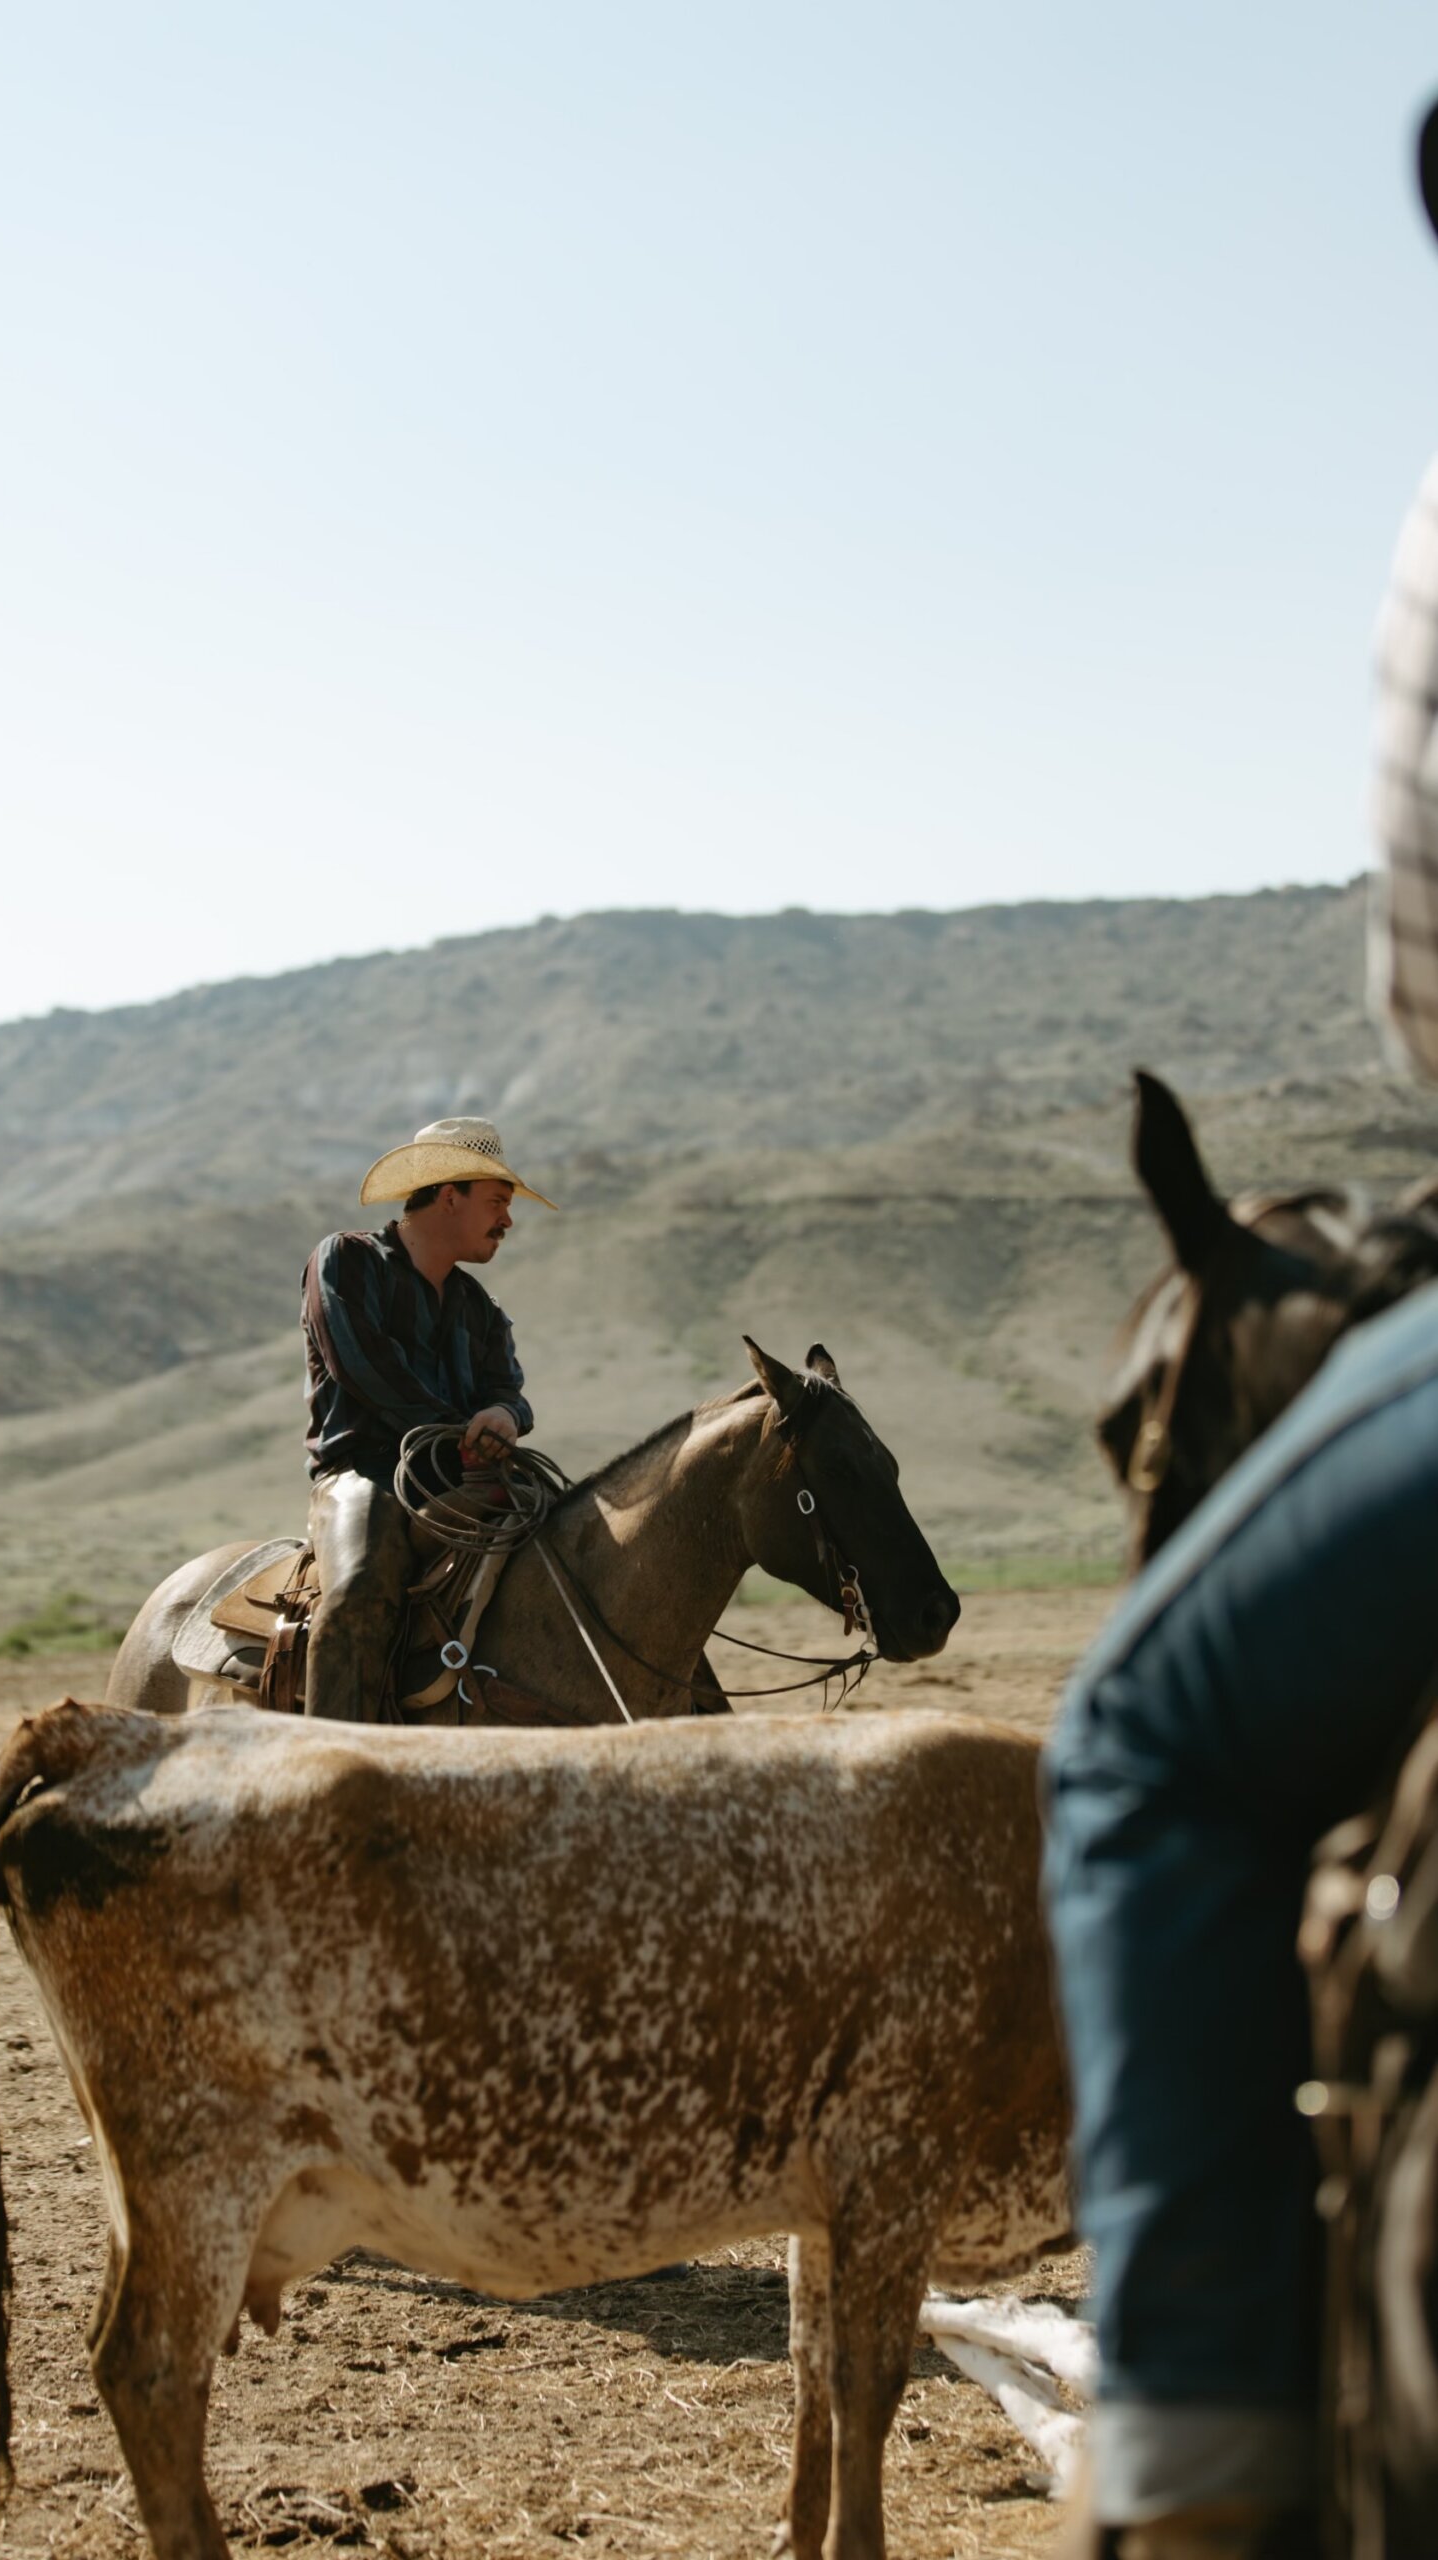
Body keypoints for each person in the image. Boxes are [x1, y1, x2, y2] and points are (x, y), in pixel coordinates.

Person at [1043, 101, 1438, 2560]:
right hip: (400, 1451)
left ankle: (1192, 2469)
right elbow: (389, 1405)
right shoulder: (381, 1286)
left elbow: (1423, 954)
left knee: (1135, 1737)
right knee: (382, 1528)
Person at [300, 1116, 557, 1722]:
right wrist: (460, 1432)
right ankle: (331, 1753)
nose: (508, 1220)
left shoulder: (480, 1308)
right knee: (359, 1589)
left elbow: (508, 1392)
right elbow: (364, 1368)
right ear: (449, 1197)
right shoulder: (346, 1260)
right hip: (366, 1472)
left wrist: (504, 1415)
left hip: (463, 1476)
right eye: (497, 1202)